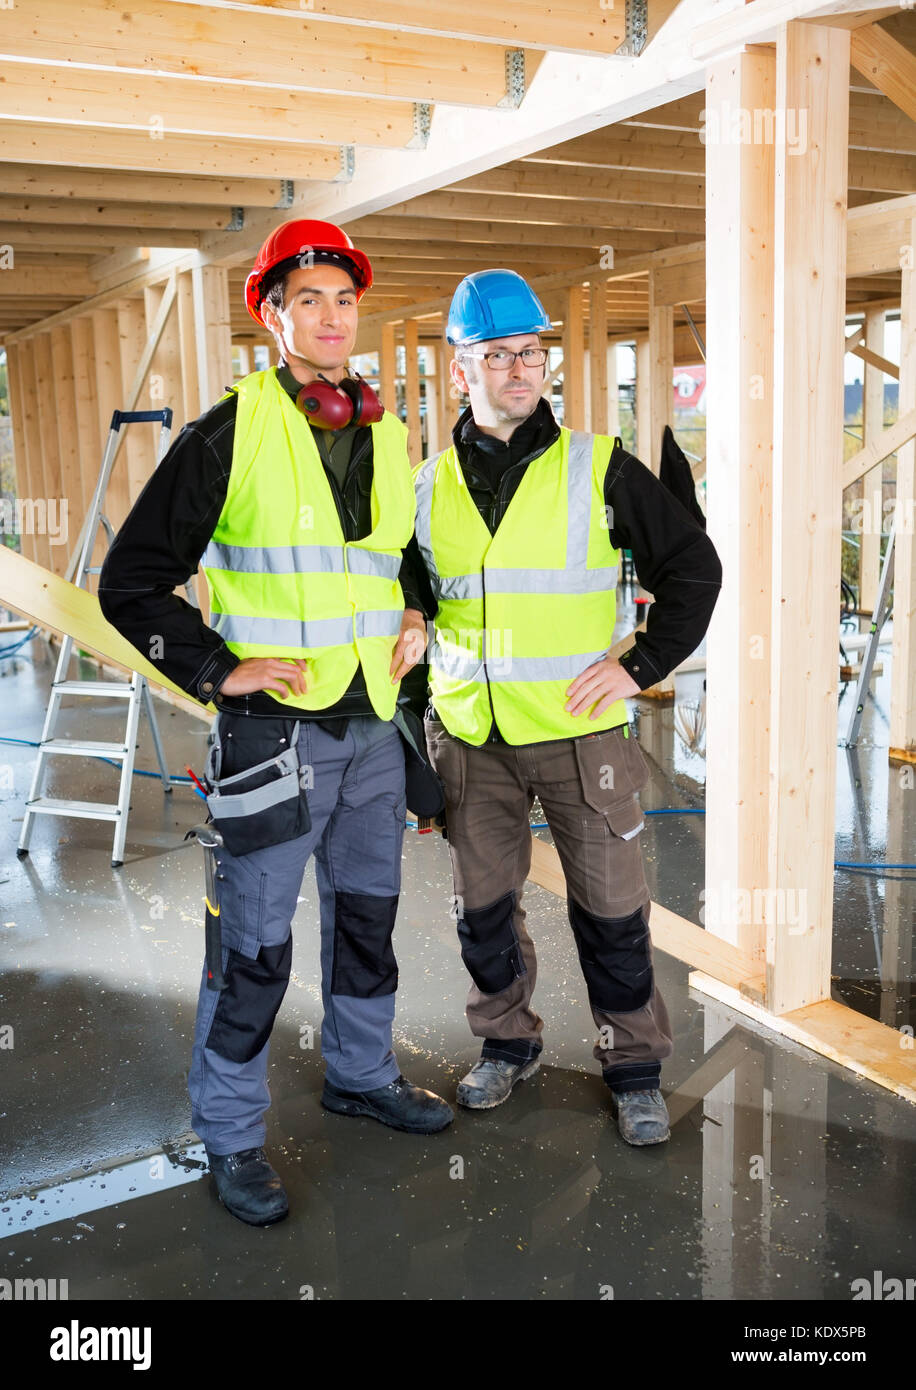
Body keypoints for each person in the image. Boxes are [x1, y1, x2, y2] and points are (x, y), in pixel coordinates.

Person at [99, 219, 452, 1228]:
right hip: (274, 738)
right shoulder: (227, 431)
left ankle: (360, 1072)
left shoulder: (386, 430)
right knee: (251, 950)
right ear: (271, 315)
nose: (332, 317)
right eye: (310, 299)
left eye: (345, 299)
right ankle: (232, 1136)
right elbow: (131, 582)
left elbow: (395, 558)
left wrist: (418, 612)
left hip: (373, 731)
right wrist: (219, 669)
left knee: (366, 925)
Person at [410, 269, 722, 1145]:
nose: (521, 370)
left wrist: (643, 666)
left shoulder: (599, 466)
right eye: (500, 354)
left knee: (613, 911)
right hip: (470, 738)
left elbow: (693, 569)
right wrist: (411, 728)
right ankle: (506, 1044)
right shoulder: (426, 487)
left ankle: (633, 1065)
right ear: (459, 367)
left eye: (532, 353)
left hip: (583, 737)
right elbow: (408, 608)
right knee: (482, 914)